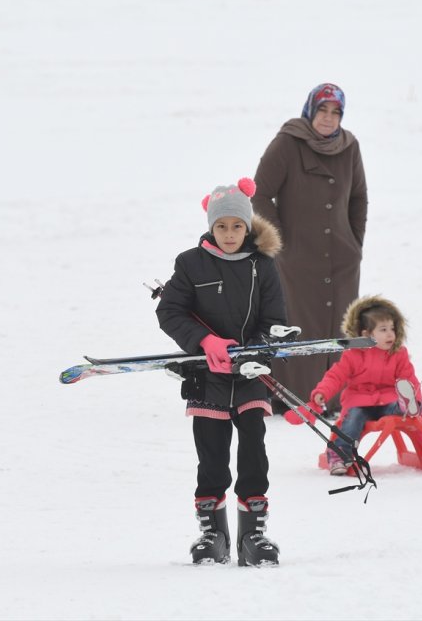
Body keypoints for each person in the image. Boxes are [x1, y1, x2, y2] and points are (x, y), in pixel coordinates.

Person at [156, 178, 286, 567]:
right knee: (211, 457)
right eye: (221, 226)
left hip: (250, 376)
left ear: (248, 227)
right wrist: (205, 342)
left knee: (253, 455)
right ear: (210, 227)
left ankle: (253, 534)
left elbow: (275, 320)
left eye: (237, 226)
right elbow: (170, 312)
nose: (229, 234)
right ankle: (213, 533)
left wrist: (257, 351)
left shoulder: (262, 266)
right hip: (206, 377)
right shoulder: (190, 263)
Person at [251, 83, 368, 418]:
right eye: (323, 110)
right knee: (299, 325)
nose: (329, 119)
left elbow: (358, 197)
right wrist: (280, 243)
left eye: (336, 112)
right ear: (310, 110)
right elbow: (259, 194)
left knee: (338, 327)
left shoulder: (349, 146)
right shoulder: (289, 142)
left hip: (342, 259)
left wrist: (354, 242)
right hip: (296, 259)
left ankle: (332, 399)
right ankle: (294, 396)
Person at [304, 296, 422, 475]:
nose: (390, 334)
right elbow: (336, 375)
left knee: (396, 405)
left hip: (388, 401)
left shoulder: (398, 353)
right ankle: (340, 455)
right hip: (359, 402)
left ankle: (407, 406)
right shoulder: (354, 354)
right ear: (367, 334)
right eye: (383, 330)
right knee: (353, 421)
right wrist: (322, 392)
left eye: (392, 328)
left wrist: (418, 403)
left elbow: (410, 380)